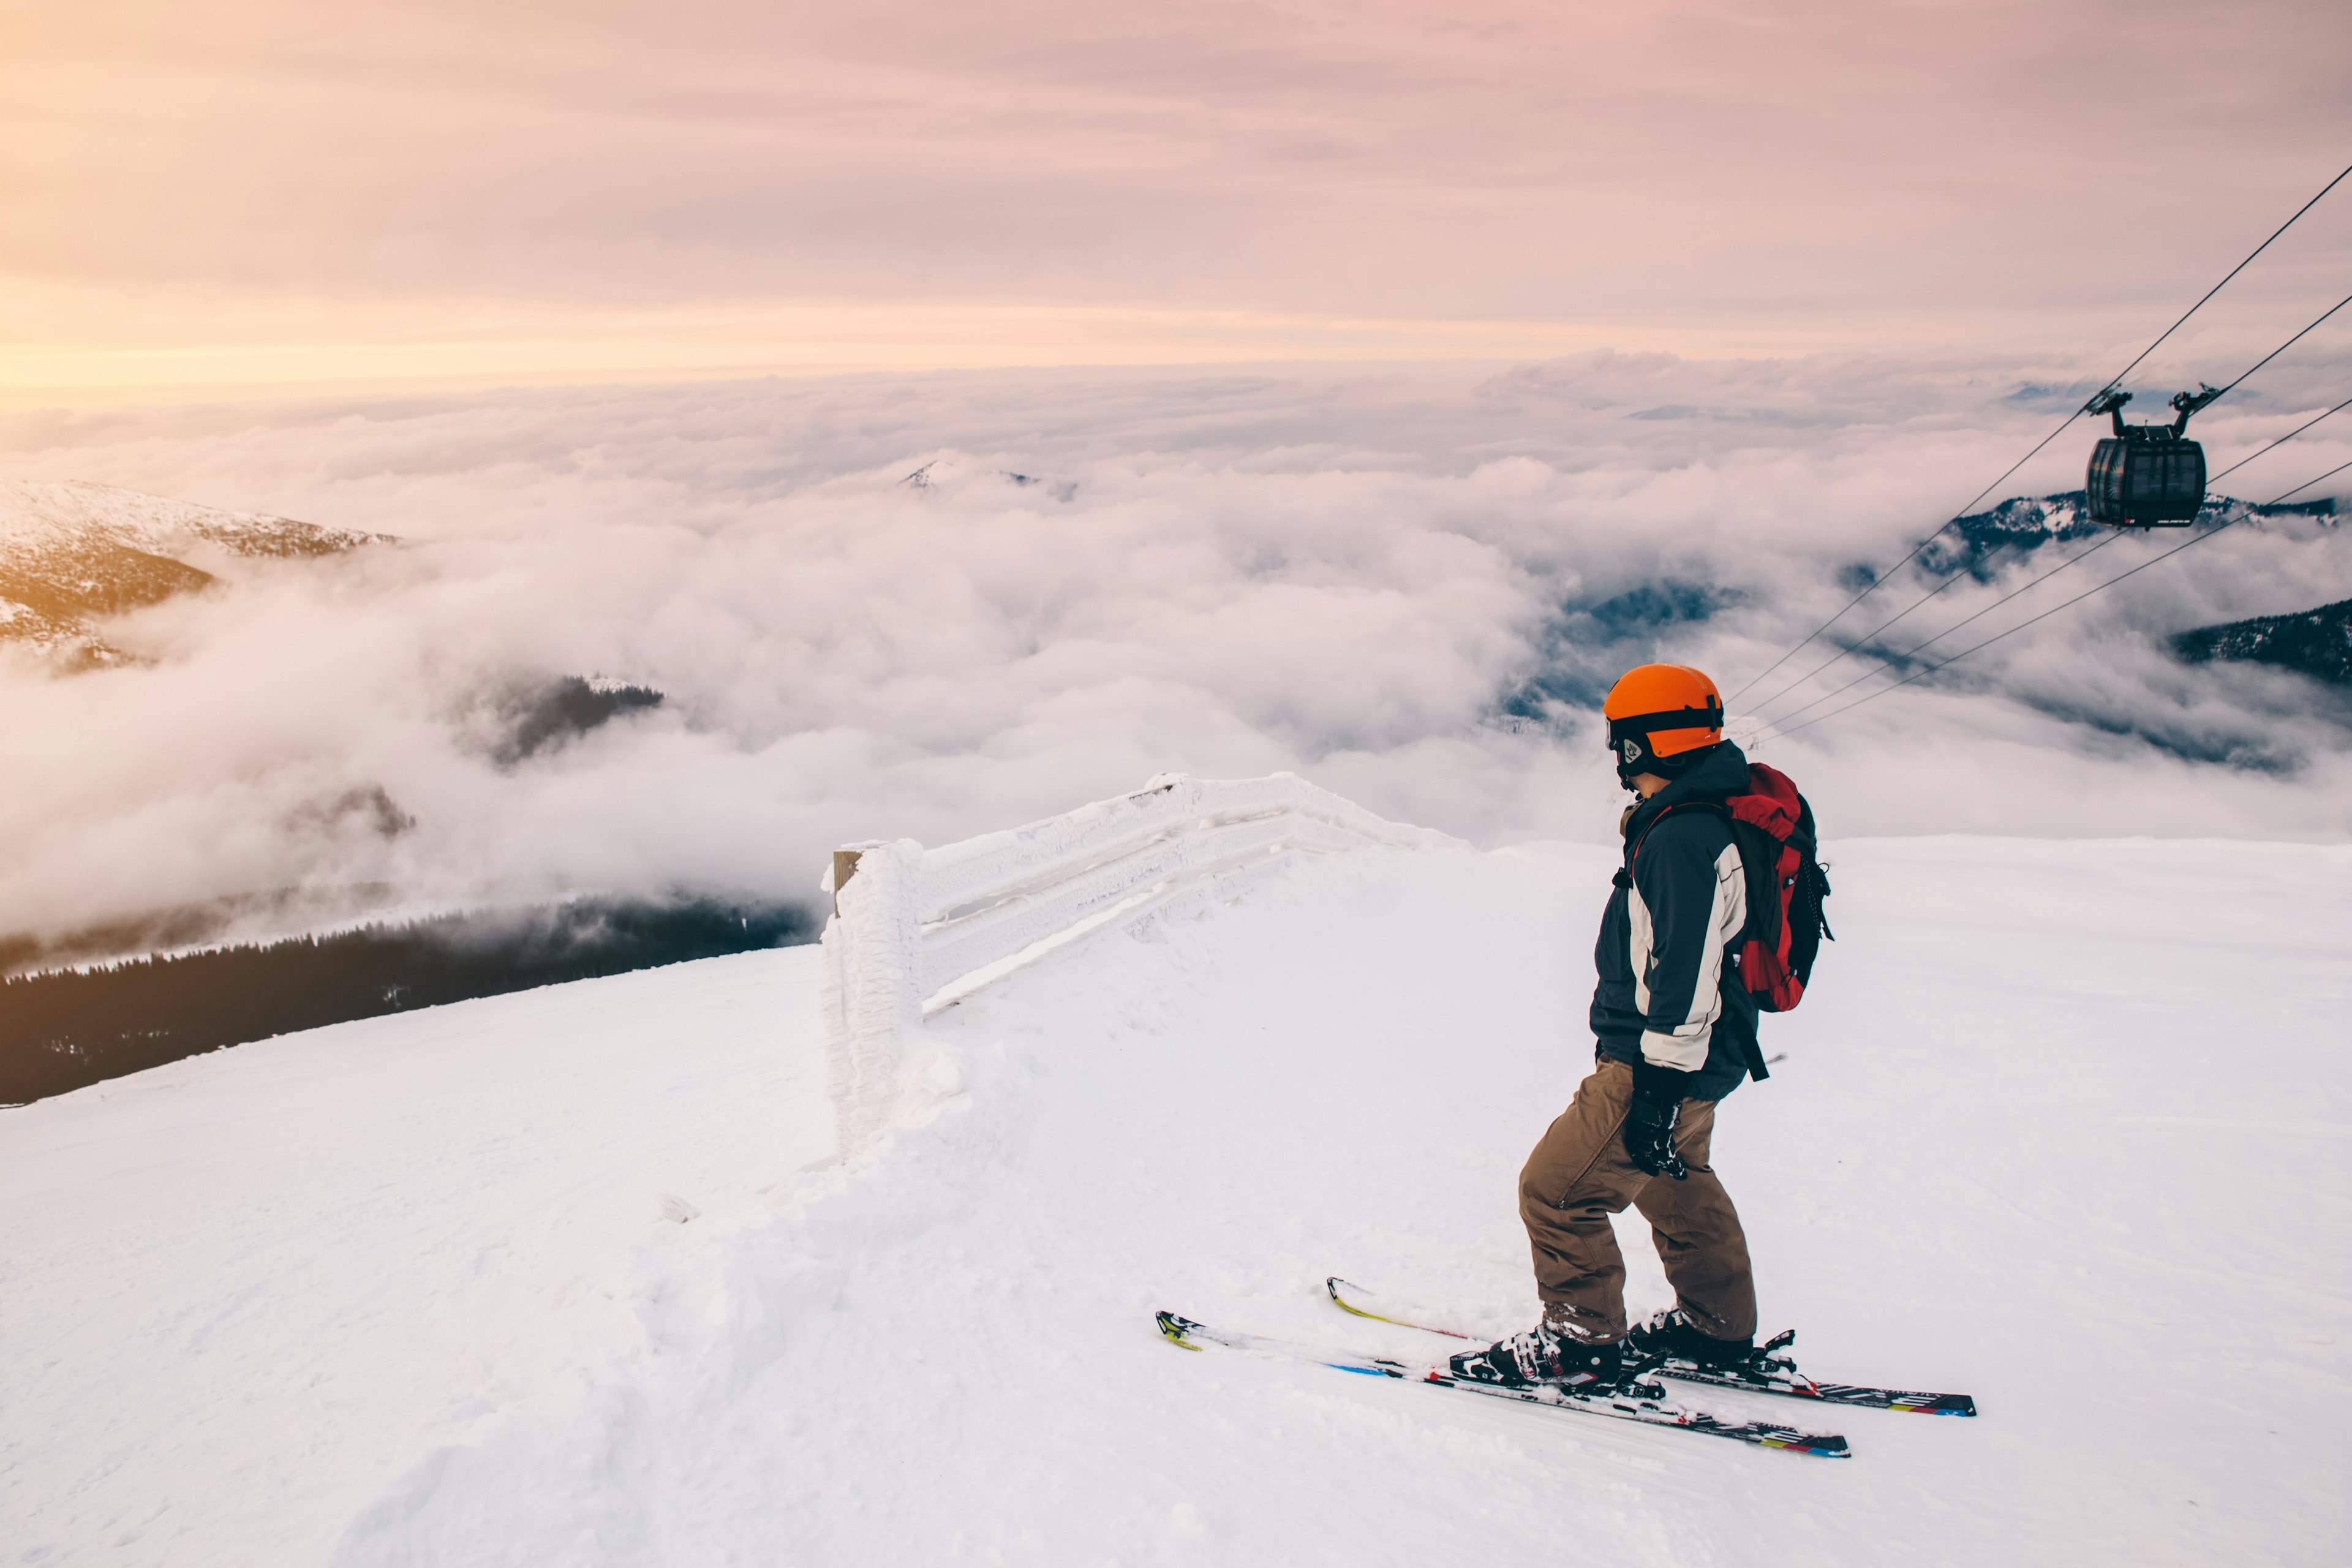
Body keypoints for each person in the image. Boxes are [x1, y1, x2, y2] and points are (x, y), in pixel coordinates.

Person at [1451, 662, 1765, 1392]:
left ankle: (1579, 1342)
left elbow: (1685, 971)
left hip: (1659, 1061)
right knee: (1672, 1181)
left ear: (1644, 744)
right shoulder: (1702, 815)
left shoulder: (1682, 837)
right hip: (1703, 1054)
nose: (1615, 756)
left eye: (1621, 739)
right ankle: (1717, 1329)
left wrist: (1655, 1086)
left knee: (1556, 1191)